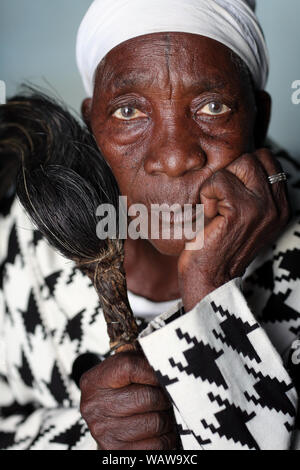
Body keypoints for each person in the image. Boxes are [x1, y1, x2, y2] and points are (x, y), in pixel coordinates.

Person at [0, 0, 300, 450]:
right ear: (91, 124)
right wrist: (96, 441)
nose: (174, 157)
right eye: (128, 112)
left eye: (212, 107)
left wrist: (208, 291)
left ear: (260, 116)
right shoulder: (36, 234)